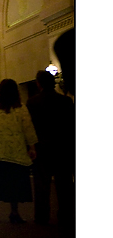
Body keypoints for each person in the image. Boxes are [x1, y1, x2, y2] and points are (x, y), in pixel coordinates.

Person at [0, 79, 38, 223]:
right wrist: (32, 147)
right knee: (14, 184)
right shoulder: (20, 107)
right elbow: (27, 128)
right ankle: (14, 212)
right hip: (16, 151)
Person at [26, 70, 75, 226]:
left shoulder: (32, 102)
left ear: (38, 83)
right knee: (65, 185)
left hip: (42, 147)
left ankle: (42, 216)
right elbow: (72, 126)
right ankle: (67, 215)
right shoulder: (66, 101)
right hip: (63, 147)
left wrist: (31, 146)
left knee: (41, 185)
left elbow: (30, 127)